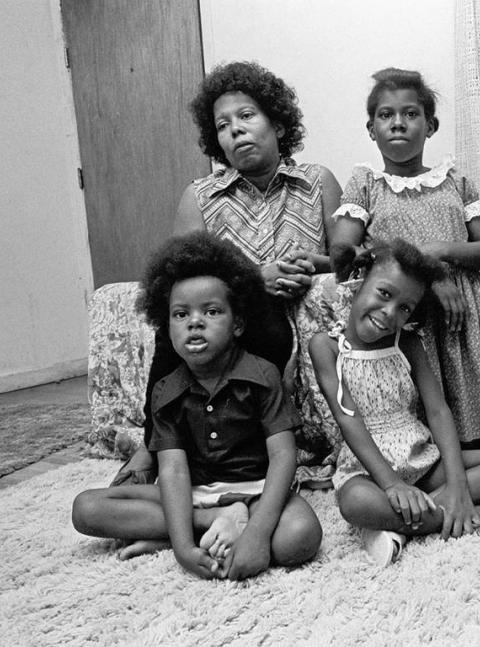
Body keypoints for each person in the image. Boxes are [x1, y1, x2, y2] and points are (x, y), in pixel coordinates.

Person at [112, 60, 343, 487]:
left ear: (277, 122)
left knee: (273, 329)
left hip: (296, 318)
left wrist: (316, 263)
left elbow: (347, 259)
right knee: (178, 324)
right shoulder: (199, 196)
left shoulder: (318, 180)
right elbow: (181, 283)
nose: (235, 130)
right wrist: (257, 279)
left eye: (247, 116)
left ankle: (251, 457)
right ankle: (154, 445)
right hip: (234, 319)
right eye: (222, 124)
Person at [73, 232, 322, 580]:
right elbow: (173, 472)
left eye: (211, 311)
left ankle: (218, 526)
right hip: (191, 498)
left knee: (300, 538)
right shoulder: (166, 390)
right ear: (165, 324)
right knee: (86, 509)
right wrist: (182, 548)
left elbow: (283, 457)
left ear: (237, 324)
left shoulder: (262, 375)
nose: (194, 322)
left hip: (255, 491)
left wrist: (257, 534)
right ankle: (209, 526)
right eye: (180, 314)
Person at [309, 239, 480, 566]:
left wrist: (458, 484)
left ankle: (398, 525)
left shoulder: (407, 342)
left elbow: (437, 411)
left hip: (421, 458)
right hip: (369, 468)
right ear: (359, 278)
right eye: (384, 293)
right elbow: (348, 419)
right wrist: (391, 484)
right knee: (353, 504)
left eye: (405, 307)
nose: (390, 314)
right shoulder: (326, 347)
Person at [331, 67, 480, 449]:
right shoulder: (366, 184)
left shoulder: (455, 182)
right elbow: (350, 255)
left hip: (462, 315)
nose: (398, 123)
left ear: (430, 125)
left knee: (471, 386)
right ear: (371, 129)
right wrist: (428, 271)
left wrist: (441, 251)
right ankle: (426, 465)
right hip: (408, 314)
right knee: (419, 400)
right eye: (386, 115)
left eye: (411, 114)